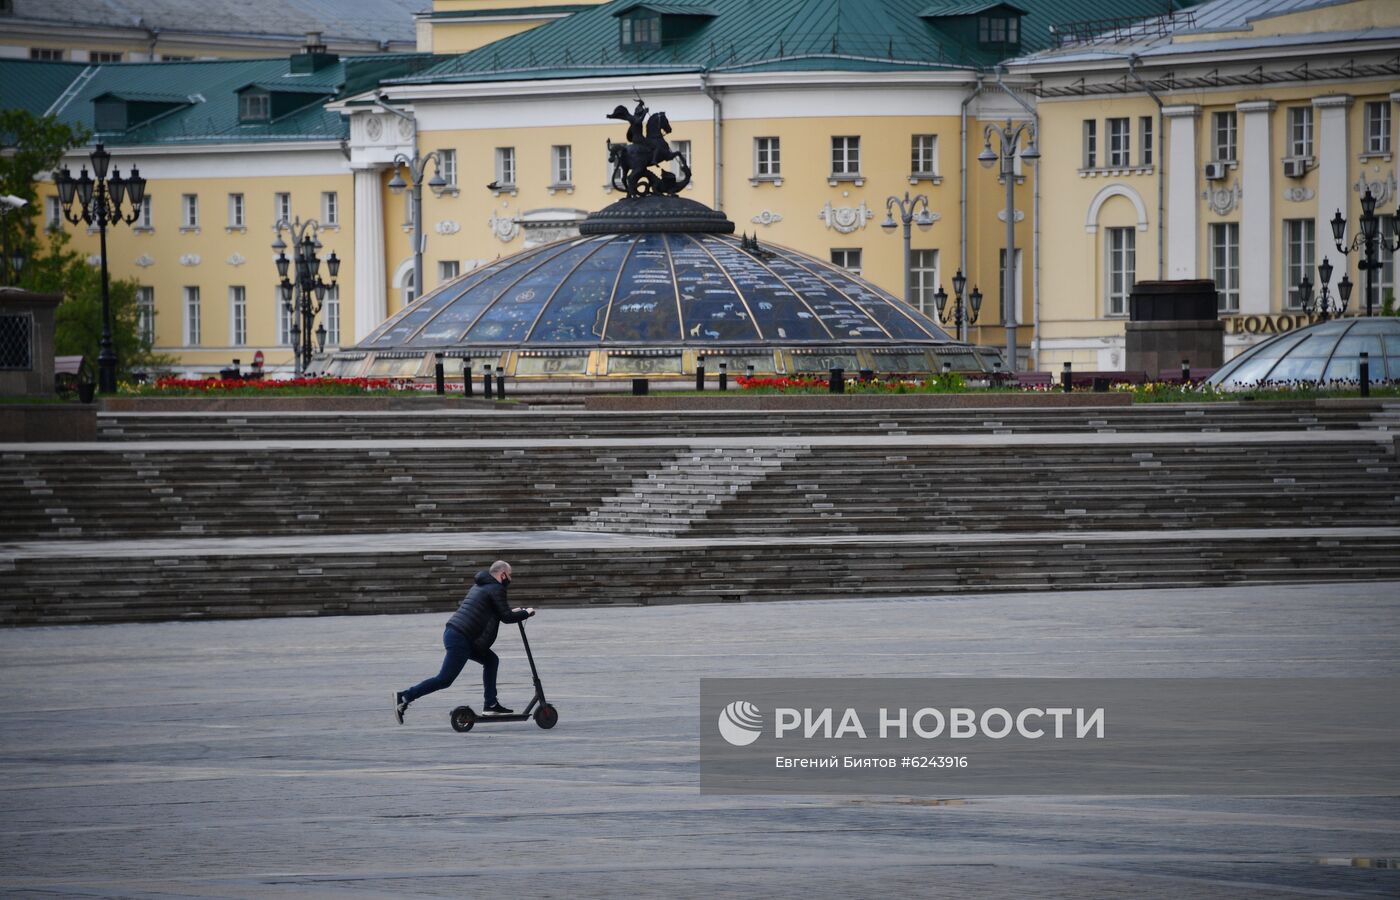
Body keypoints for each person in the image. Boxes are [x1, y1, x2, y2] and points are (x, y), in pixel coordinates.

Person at [394, 560, 535, 723]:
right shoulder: (496, 588)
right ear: (502, 574)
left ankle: (491, 704)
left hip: (458, 633)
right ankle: (404, 696)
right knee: (444, 679)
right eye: (509, 575)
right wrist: (527, 613)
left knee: (491, 660)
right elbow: (506, 617)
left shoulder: (482, 585)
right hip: (461, 637)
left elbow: (496, 611)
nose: (510, 579)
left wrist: (515, 611)